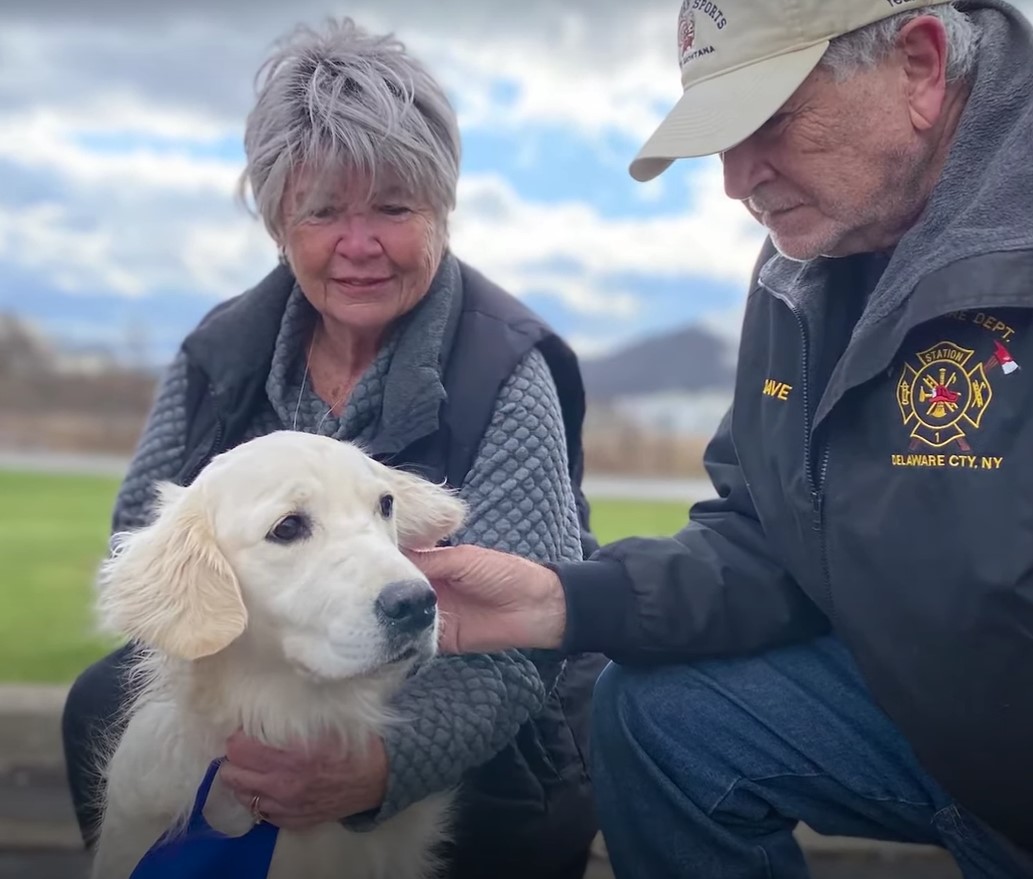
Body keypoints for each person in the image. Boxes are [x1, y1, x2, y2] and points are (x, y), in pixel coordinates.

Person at [409, 0, 1033, 876]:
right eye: (720, 138)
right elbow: (771, 539)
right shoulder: (805, 265)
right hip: (946, 731)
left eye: (770, 120)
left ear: (921, 67)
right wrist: (560, 601)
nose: (737, 180)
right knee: (657, 717)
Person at [60, 18, 605, 879]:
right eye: (323, 212)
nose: (359, 246)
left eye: (393, 207)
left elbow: (519, 647)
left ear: (441, 210)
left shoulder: (508, 368)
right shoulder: (218, 354)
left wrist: (376, 769)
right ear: (281, 221)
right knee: (100, 700)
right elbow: (152, 550)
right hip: (266, 690)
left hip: (473, 714)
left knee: (490, 808)